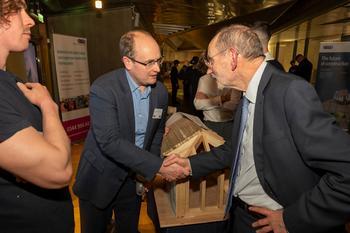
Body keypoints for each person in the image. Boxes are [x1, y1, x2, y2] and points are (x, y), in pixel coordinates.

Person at [164, 24, 350, 233]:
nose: (209, 69)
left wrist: (292, 219)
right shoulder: (249, 94)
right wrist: (190, 164)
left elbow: (346, 172)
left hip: (278, 222)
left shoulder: (290, 91)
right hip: (244, 215)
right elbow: (238, 149)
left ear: (233, 57)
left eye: (211, 60)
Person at [73, 29, 189, 233]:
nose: (157, 68)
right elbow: (109, 141)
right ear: (128, 62)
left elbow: (157, 134)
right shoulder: (104, 89)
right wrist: (158, 167)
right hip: (100, 177)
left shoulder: (160, 92)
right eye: (149, 62)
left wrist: (147, 174)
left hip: (133, 178)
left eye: (159, 60)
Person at [0, 1, 74, 232]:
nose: (30, 20)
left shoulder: (11, 82)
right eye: (18, 9)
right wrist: (48, 106)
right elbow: (58, 169)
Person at [194, 73, 241, 141]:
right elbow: (198, 105)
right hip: (210, 124)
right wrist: (222, 99)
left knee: (229, 150)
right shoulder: (204, 79)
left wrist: (209, 100)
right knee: (210, 150)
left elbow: (234, 105)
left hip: (229, 124)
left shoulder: (234, 79)